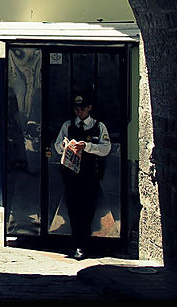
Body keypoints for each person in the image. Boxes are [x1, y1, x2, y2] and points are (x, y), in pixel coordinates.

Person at [53, 91, 111, 260]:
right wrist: (65, 146)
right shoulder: (68, 125)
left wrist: (87, 146)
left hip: (90, 174)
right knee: (73, 209)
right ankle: (77, 243)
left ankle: (84, 243)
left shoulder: (98, 126)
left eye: (83, 109)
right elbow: (57, 146)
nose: (79, 112)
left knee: (87, 210)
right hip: (71, 175)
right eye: (77, 109)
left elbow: (106, 148)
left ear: (89, 108)